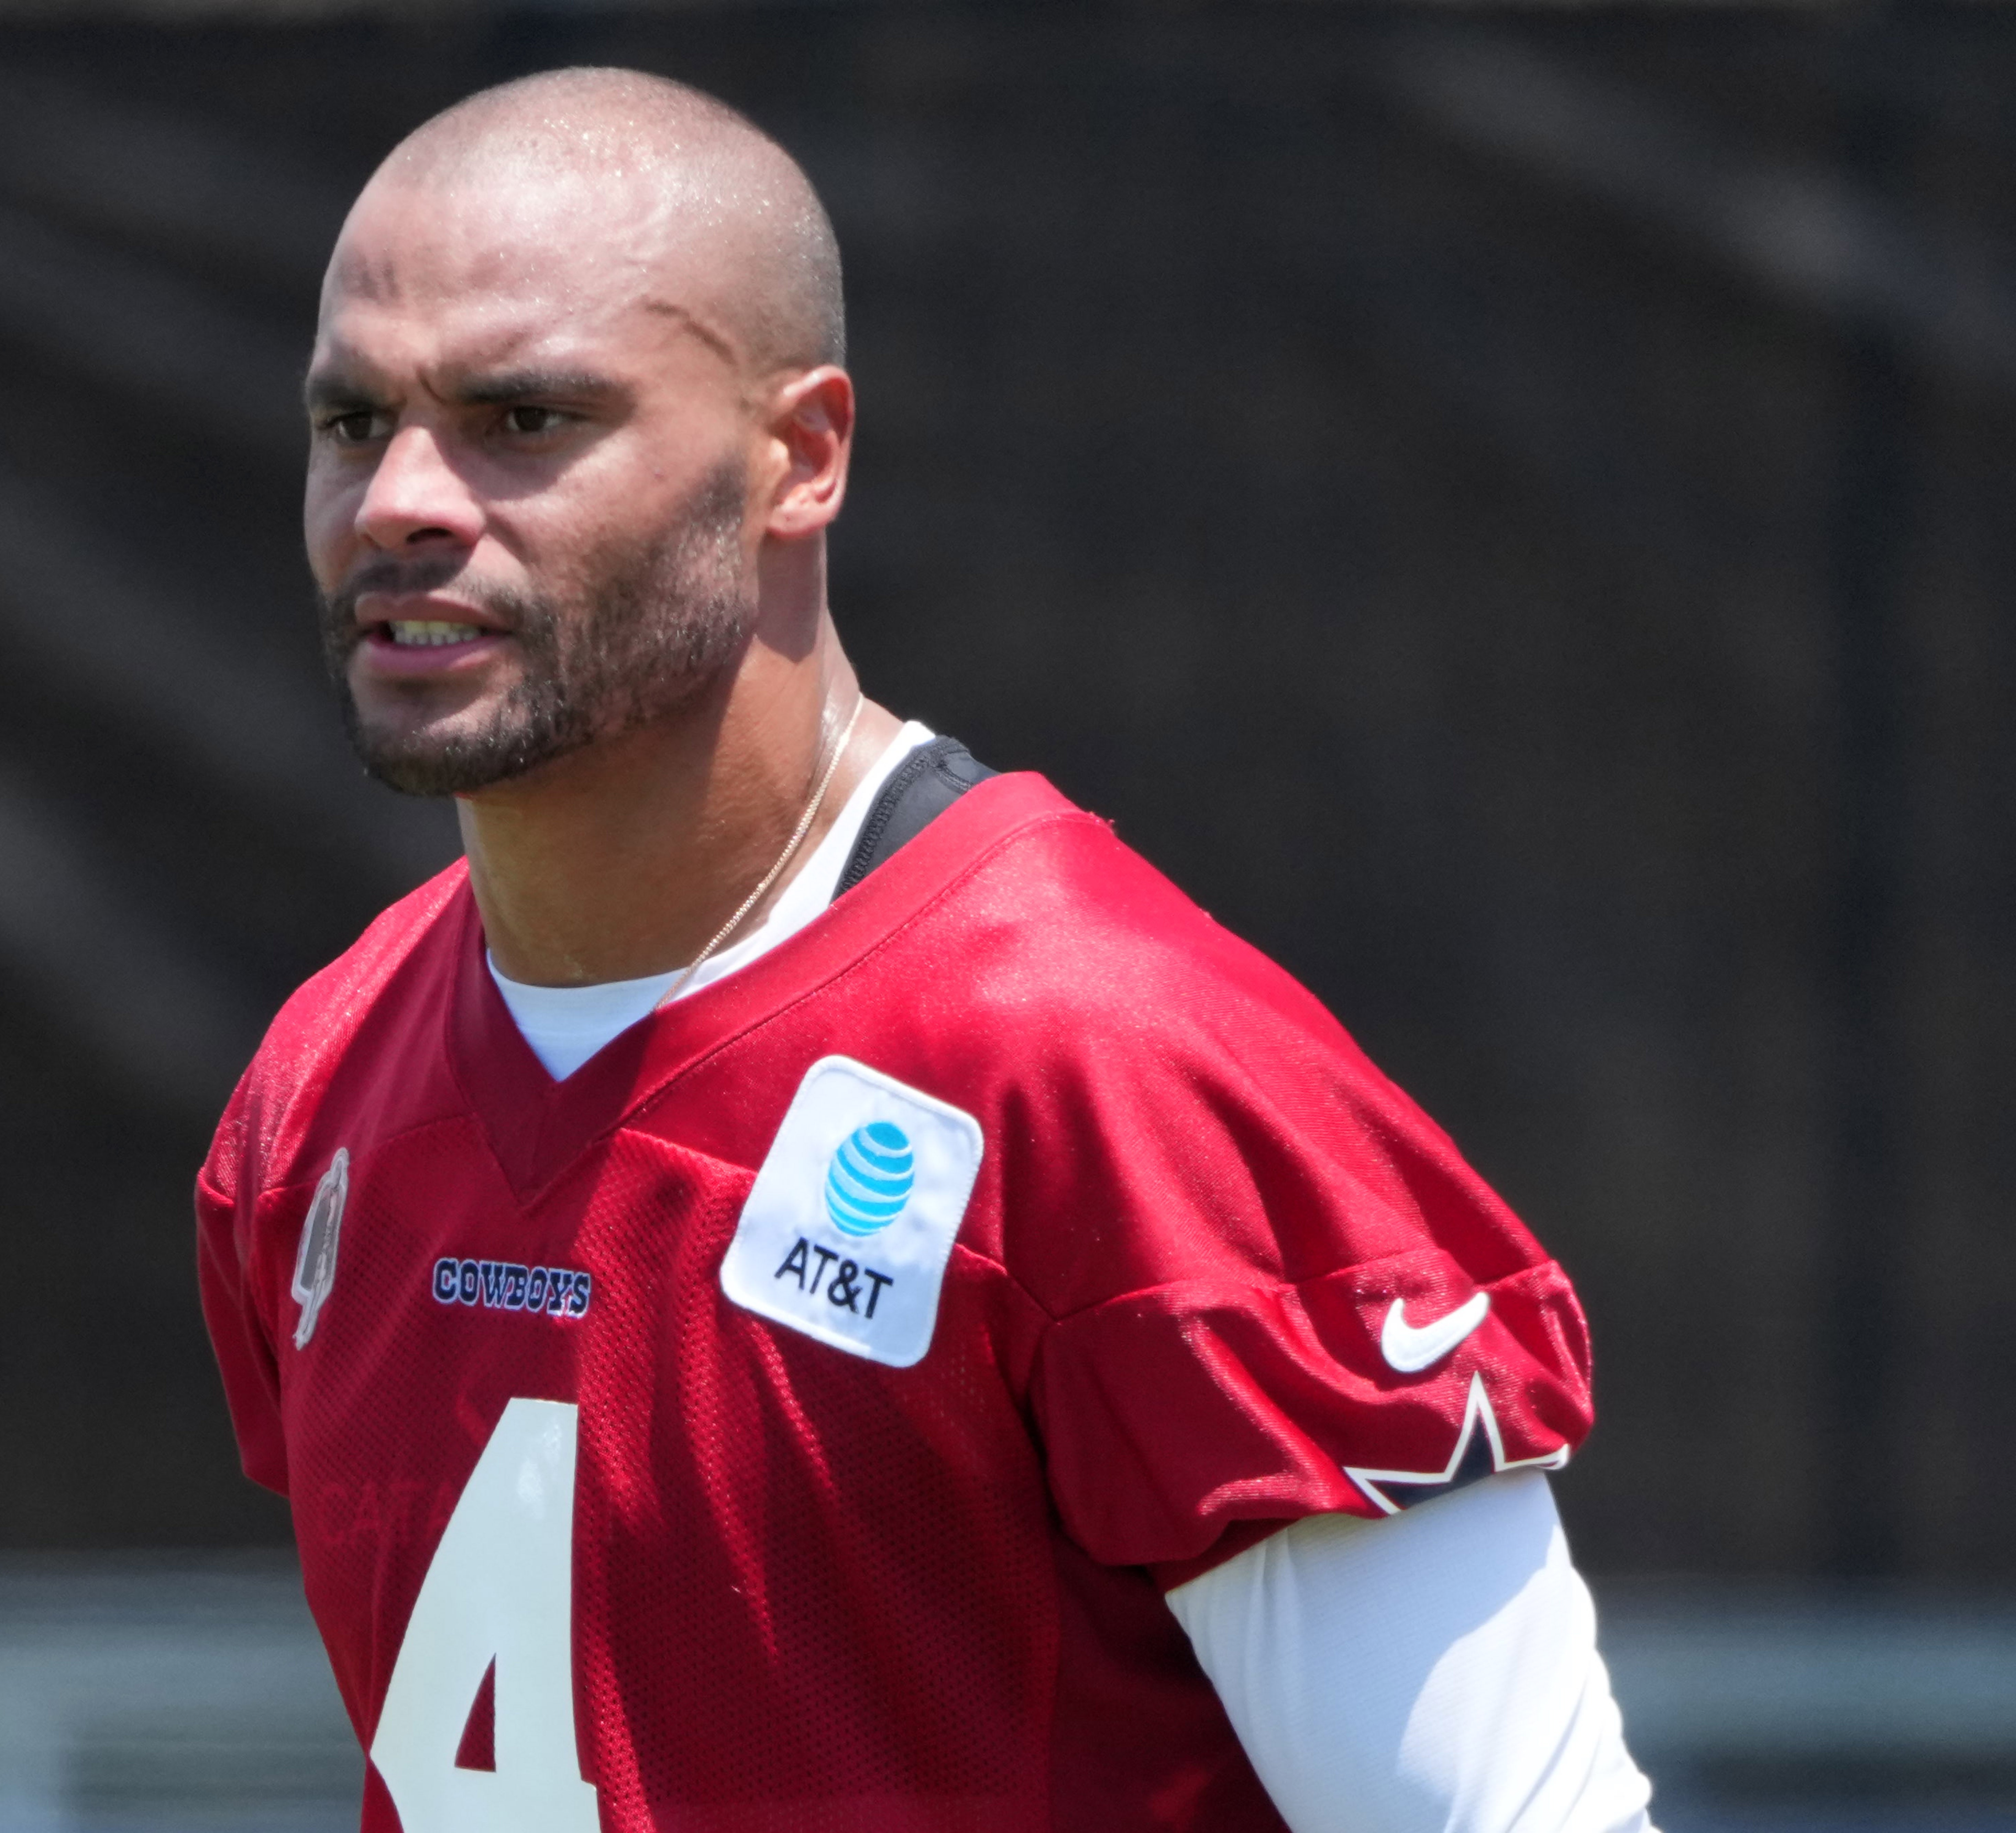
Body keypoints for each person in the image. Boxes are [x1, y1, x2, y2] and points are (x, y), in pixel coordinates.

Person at [198, 65, 1656, 1833]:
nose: (401, 500)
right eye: (354, 421)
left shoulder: (1109, 1064)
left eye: (524, 417)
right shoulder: (318, 1089)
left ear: (799, 457)